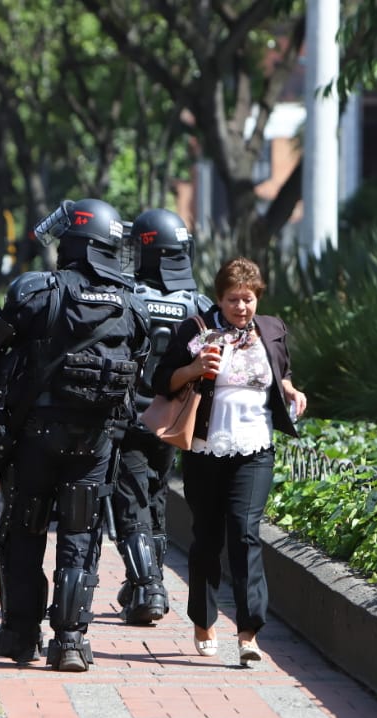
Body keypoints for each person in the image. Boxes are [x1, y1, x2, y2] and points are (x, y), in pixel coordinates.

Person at [0, 198, 151, 673]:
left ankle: (21, 636)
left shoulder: (37, 292)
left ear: (74, 244)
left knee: (20, 534)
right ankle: (71, 642)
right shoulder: (133, 304)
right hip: (96, 442)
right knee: (81, 536)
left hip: (35, 440)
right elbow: (139, 373)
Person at [150, 257, 307, 664]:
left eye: (249, 299)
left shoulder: (270, 330)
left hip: (255, 448)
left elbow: (281, 372)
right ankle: (203, 621)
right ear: (219, 299)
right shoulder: (197, 330)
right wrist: (195, 368)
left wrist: (290, 391)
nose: (241, 307)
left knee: (245, 533)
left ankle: (249, 633)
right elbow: (161, 380)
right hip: (206, 448)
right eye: (234, 299)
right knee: (206, 538)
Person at [112, 208, 212, 625]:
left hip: (131, 415)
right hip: (174, 420)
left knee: (128, 501)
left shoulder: (128, 295)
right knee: (154, 496)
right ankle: (143, 583)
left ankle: (147, 587)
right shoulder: (199, 305)